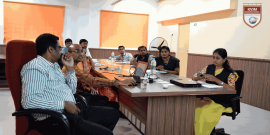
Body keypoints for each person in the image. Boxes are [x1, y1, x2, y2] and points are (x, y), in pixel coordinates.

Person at [21, 33, 120, 135]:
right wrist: (64, 104)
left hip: (71, 108)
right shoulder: (35, 68)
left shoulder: (54, 66)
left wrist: (70, 69)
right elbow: (29, 102)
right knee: (106, 133)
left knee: (113, 114)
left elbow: (71, 90)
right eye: (59, 48)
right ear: (50, 49)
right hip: (56, 118)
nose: (62, 51)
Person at [63, 44, 136, 104]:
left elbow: (85, 79)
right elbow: (91, 81)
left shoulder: (74, 65)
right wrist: (117, 82)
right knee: (111, 103)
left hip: (80, 93)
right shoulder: (70, 67)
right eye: (77, 51)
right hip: (75, 99)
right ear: (69, 53)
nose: (81, 54)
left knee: (106, 99)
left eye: (82, 52)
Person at [192, 48, 239, 135]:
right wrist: (199, 77)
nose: (214, 60)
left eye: (218, 58)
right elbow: (194, 77)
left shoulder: (230, 73)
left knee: (201, 112)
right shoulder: (208, 67)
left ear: (224, 59)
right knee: (190, 107)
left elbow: (232, 89)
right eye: (213, 57)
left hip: (220, 101)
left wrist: (216, 80)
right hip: (206, 97)